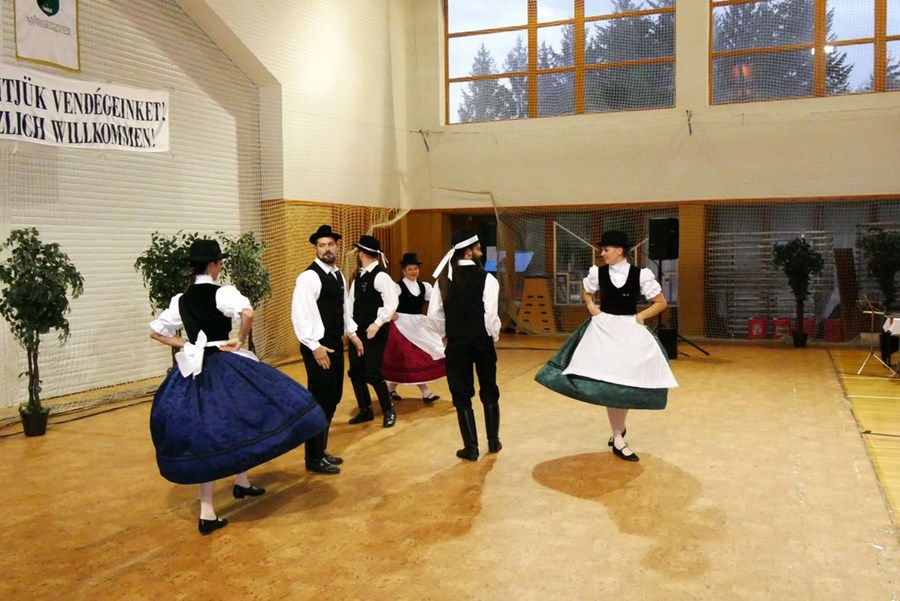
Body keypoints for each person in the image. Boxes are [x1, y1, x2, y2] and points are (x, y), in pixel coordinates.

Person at [149, 239, 328, 535]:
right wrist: (240, 340)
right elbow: (248, 313)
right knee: (224, 430)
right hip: (224, 365)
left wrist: (188, 344)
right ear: (213, 265)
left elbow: (156, 332)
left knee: (223, 427)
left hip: (194, 370)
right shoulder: (222, 293)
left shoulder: (181, 299)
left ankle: (241, 483)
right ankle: (207, 512)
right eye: (219, 263)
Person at [535, 230, 678, 462]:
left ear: (620, 250)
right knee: (609, 384)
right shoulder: (598, 273)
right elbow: (587, 292)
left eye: (606, 249)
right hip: (603, 331)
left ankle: (619, 429)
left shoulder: (640, 274)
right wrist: (591, 307)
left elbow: (660, 302)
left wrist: (641, 317)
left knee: (624, 382)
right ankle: (618, 437)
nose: (602, 253)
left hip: (629, 332)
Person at [292, 224, 362, 475]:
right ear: (316, 249)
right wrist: (314, 346)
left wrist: (352, 334)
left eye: (330, 244)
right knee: (320, 400)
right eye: (321, 245)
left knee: (332, 398)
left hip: (334, 344)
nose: (326, 249)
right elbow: (301, 314)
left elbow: (344, 308)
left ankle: (320, 450)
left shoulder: (338, 275)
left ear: (337, 247)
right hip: (318, 347)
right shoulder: (308, 277)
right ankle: (312, 458)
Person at [427, 232, 501, 461]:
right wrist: (492, 337)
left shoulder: (443, 280)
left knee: (461, 392)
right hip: (482, 340)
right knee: (489, 387)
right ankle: (493, 441)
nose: (481, 252)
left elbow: (434, 315)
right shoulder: (488, 279)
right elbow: (491, 316)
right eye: (478, 248)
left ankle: (471, 448)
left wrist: (445, 334)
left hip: (457, 342)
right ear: (468, 251)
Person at [346, 235, 400, 427]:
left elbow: (391, 304)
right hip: (358, 332)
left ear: (361, 254)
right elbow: (350, 304)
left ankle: (388, 409)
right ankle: (365, 409)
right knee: (355, 371)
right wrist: (351, 330)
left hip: (374, 332)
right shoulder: (358, 277)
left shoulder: (381, 276)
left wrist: (377, 324)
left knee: (372, 372)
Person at [382, 252, 445, 404]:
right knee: (410, 358)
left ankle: (391, 388)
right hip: (401, 326)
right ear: (403, 271)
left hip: (419, 324)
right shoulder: (397, 287)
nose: (413, 272)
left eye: (415, 268)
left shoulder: (424, 287)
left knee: (422, 355)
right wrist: (391, 313)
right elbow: (385, 302)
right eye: (410, 269)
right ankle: (426, 392)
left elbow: (436, 301)